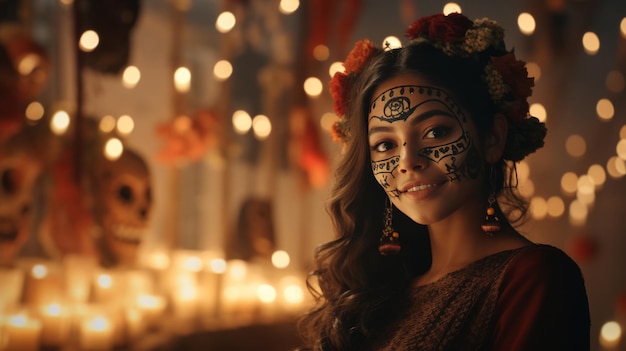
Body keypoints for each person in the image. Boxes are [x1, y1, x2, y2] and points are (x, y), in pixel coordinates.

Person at [297, 12, 591, 350]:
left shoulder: (534, 277)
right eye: (385, 144)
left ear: (492, 138)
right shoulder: (383, 291)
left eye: (436, 131)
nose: (408, 162)